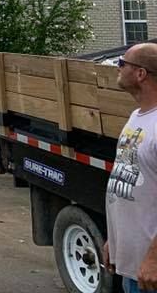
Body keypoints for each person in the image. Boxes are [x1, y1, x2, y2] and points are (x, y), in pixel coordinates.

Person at [104, 42, 157, 292]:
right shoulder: (137, 116)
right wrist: (114, 241)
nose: (118, 67)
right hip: (133, 265)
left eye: (122, 63)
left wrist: (154, 259)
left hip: (151, 271)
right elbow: (126, 180)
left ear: (140, 73)